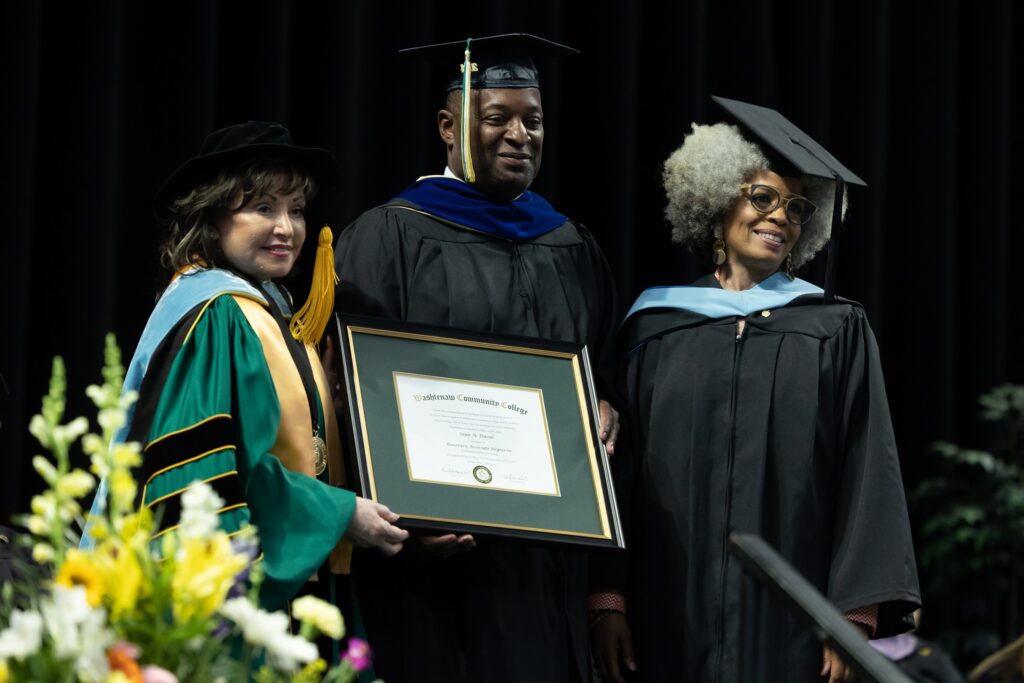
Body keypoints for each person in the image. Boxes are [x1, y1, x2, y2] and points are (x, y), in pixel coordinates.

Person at [590, 98, 921, 682]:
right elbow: (618, 477)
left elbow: (868, 467)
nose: (780, 217)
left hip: (796, 621)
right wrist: (608, 599)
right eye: (761, 197)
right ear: (718, 204)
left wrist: (855, 617)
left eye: (796, 208)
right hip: (668, 611)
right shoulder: (655, 327)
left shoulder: (834, 327)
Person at [334, 34, 620, 683]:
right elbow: (353, 391)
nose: (520, 134)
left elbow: (601, 371)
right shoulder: (389, 237)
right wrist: (404, 515)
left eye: (534, 120)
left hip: (548, 569)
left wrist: (605, 405)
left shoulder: (571, 246)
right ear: (448, 125)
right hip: (434, 572)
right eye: (498, 118)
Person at [86, 121, 408, 613]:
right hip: (239, 598)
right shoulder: (217, 314)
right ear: (212, 219)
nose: (287, 228)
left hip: (294, 580)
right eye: (262, 208)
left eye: (296, 210)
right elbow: (209, 474)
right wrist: (339, 513)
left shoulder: (267, 309)